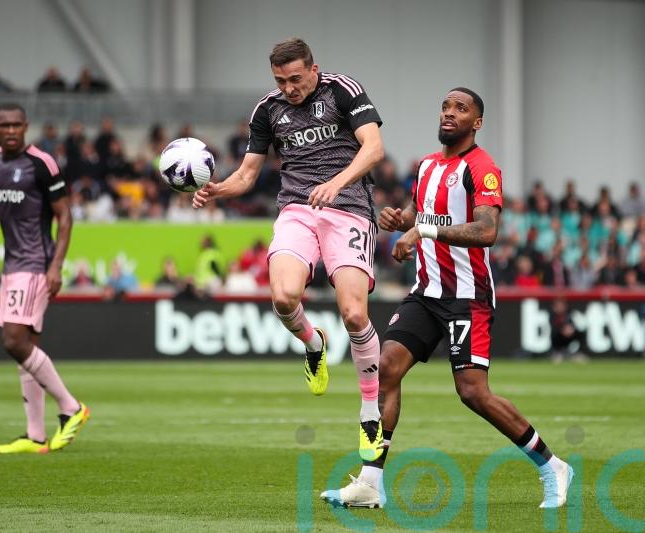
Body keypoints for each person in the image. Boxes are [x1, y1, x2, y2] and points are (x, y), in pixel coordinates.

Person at [193, 36, 386, 491]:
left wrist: (337, 183)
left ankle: (370, 414)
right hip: (297, 209)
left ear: (313, 69)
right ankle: (312, 341)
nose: (289, 87)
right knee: (282, 297)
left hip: (350, 207)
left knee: (355, 314)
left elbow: (374, 148)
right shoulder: (268, 110)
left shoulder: (343, 90)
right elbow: (247, 173)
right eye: (280, 80)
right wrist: (218, 189)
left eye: (296, 79)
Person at [374, 88, 573, 509]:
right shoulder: (427, 165)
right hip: (426, 292)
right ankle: (371, 483)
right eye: (446, 107)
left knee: (472, 393)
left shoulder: (483, 168)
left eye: (460, 109)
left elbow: (487, 231)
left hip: (468, 296)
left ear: (476, 122)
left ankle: (552, 465)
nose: (450, 113)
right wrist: (398, 219)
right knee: (385, 367)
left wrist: (423, 231)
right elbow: (418, 211)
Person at [0, 103, 89, 454]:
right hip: (12, 264)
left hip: (36, 263)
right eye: (6, 125)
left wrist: (56, 266)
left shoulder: (42, 163)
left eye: (18, 124)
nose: (12, 130)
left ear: (26, 126)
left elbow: (65, 217)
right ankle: (35, 436)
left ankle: (71, 408)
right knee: (25, 346)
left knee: (14, 341)